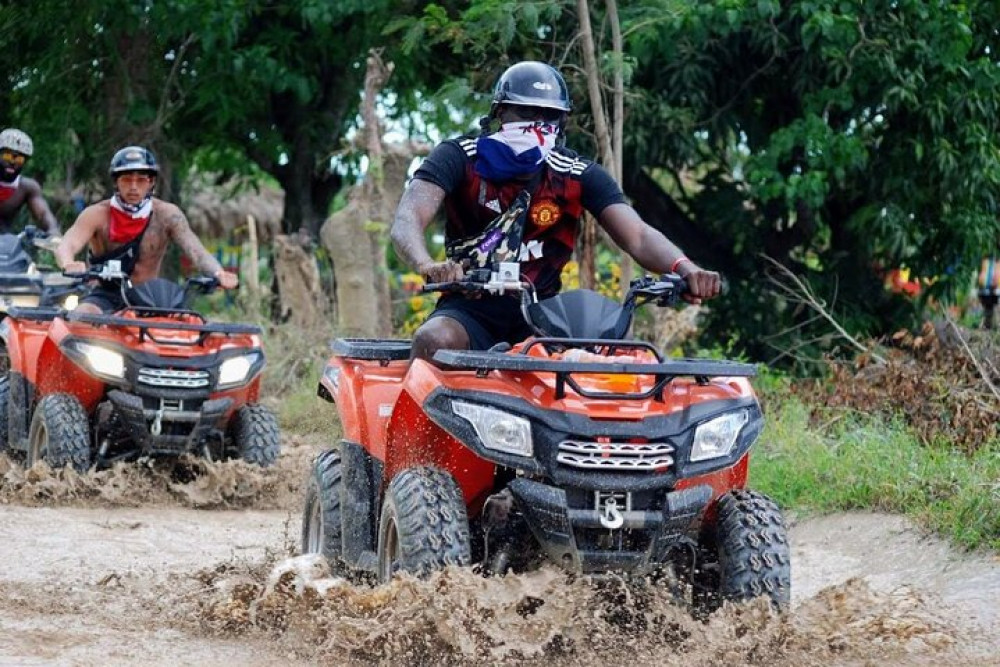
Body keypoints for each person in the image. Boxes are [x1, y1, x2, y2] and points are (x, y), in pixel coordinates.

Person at [390, 61, 722, 360]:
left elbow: (637, 235)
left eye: (549, 116)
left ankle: (604, 428)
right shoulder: (459, 157)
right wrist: (428, 264)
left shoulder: (574, 173)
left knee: (614, 342)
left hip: (543, 312)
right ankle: (420, 428)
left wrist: (685, 268)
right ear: (499, 114)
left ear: (562, 124)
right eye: (525, 113)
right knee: (434, 339)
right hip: (468, 306)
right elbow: (408, 218)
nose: (537, 124)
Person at [55, 146, 239, 314]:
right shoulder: (96, 215)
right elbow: (67, 243)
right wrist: (68, 262)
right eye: (127, 179)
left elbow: (195, 250)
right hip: (105, 295)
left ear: (151, 183)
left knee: (189, 328)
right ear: (116, 182)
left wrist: (218, 272)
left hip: (151, 297)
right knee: (82, 316)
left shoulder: (167, 215)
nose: (134, 187)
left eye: (141, 180)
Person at [0, 128, 61, 236]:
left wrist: (53, 232)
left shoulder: (27, 187)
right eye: (7, 156)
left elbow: (43, 214)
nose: (12, 162)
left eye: (19, 159)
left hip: (5, 246)